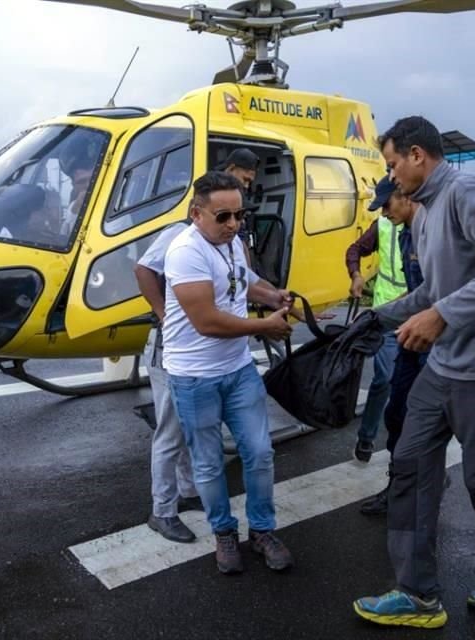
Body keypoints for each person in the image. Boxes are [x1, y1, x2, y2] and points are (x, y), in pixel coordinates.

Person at [353, 116, 475, 629]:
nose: (390, 178)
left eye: (392, 165)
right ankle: (417, 594)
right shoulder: (423, 214)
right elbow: (434, 290)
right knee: (408, 465)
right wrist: (377, 316)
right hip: (447, 363)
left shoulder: (466, 192)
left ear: (416, 155)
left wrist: (442, 316)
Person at [163, 171, 295, 575]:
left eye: (239, 215)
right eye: (223, 217)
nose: (234, 225)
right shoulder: (185, 251)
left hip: (237, 369)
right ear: (196, 213)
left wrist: (276, 296)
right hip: (194, 377)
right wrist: (265, 325)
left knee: (259, 452)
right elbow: (207, 321)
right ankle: (223, 532)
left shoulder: (232, 243)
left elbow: (245, 281)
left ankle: (262, 530)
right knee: (207, 463)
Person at [357, 185, 429, 516]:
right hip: (406, 331)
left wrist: (380, 315)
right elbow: (418, 292)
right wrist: (377, 316)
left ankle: (427, 485)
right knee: (397, 410)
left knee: (430, 419)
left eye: (386, 204)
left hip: (434, 339)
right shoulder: (401, 232)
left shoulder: (432, 230)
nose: (383, 212)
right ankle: (397, 488)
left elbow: (436, 292)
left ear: (406, 196)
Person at [134, 220, 203, 543]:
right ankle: (162, 511)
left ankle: (188, 491)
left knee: (187, 426)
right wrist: (164, 315)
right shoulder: (179, 232)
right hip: (169, 348)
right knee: (171, 431)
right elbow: (144, 269)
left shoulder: (212, 237)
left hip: (191, 348)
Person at [345, 177, 407, 465]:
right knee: (384, 379)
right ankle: (367, 438)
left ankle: (410, 454)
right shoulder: (383, 225)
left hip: (419, 314)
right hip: (385, 315)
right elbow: (354, 250)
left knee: (414, 386)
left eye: (386, 206)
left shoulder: (423, 227)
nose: (383, 213)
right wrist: (357, 275)